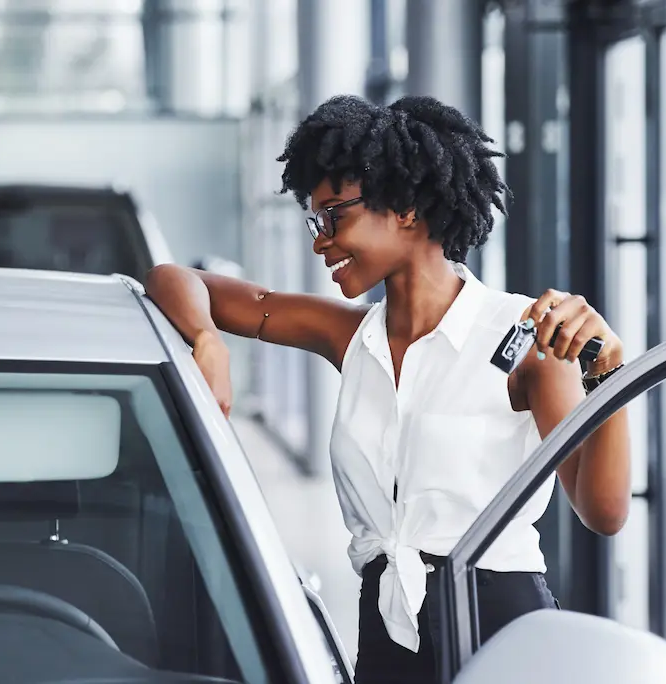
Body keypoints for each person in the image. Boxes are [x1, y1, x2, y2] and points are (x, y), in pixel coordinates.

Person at [145, 94, 631, 684]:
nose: (320, 240)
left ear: (404, 207)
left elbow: (602, 510)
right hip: (385, 641)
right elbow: (173, 279)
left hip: (503, 637)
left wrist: (608, 371)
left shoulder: (522, 336)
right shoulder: (346, 336)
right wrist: (206, 339)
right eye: (313, 220)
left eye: (334, 216)